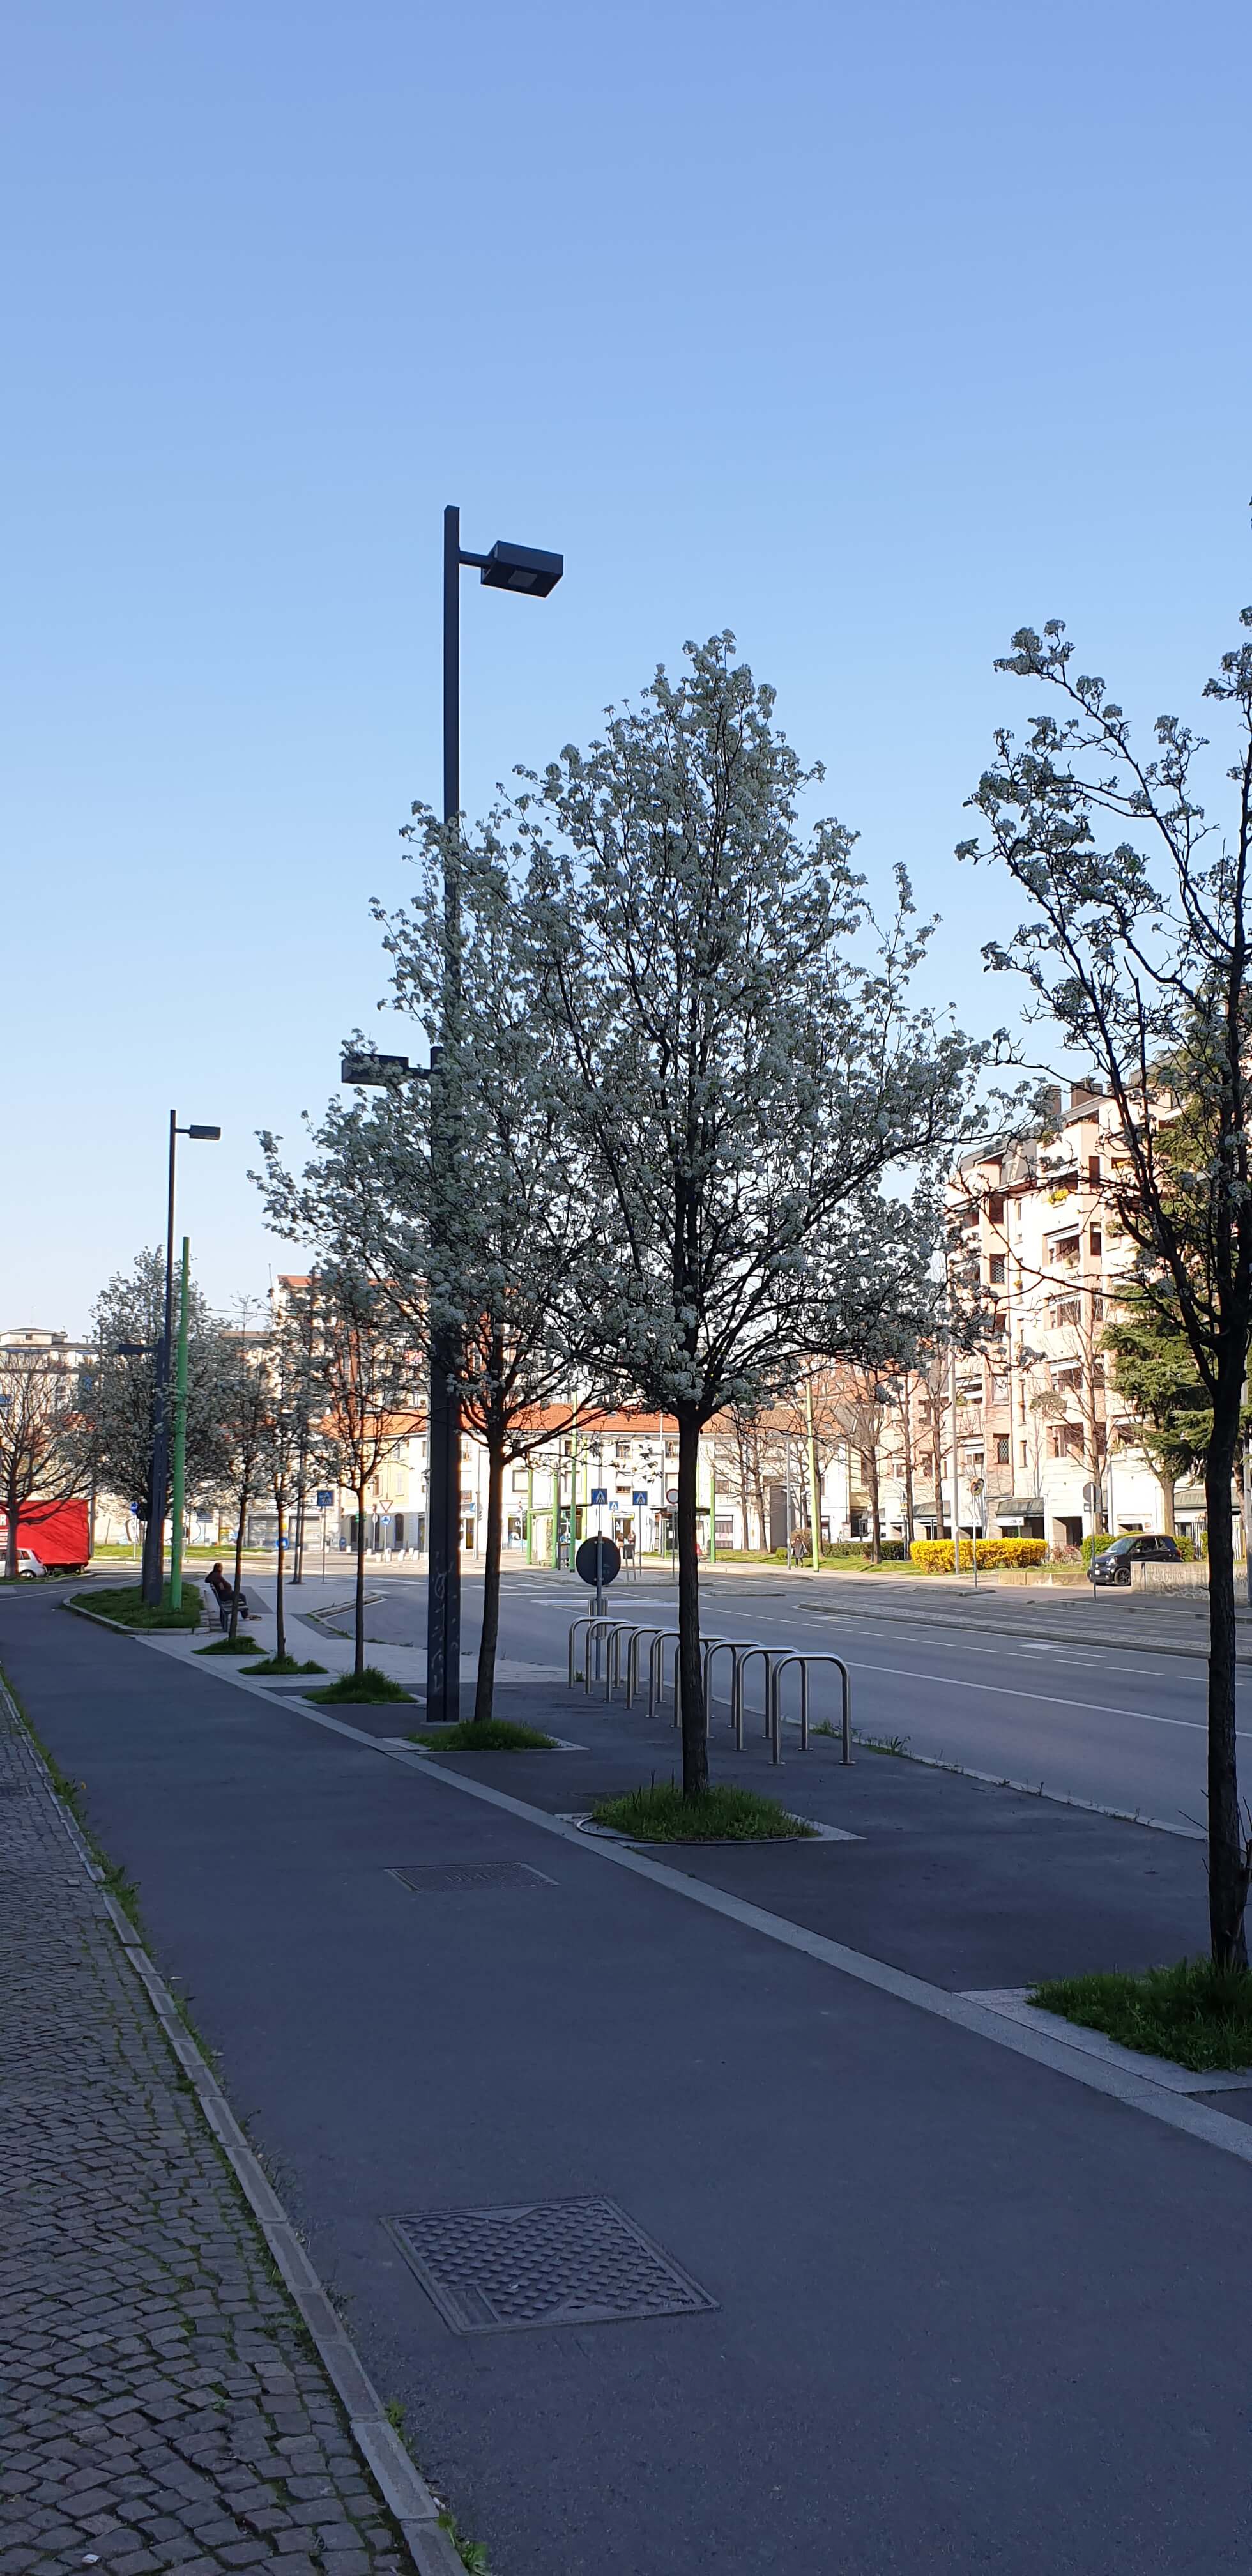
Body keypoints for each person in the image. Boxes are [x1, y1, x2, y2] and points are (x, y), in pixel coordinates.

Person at [206, 1561, 249, 1630]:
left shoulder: (215, 1574)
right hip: (225, 1596)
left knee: (241, 1596)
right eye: (221, 1567)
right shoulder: (216, 1574)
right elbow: (207, 1580)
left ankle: (245, 1614)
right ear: (219, 1568)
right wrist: (218, 1582)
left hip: (225, 1594)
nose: (222, 1569)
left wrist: (220, 1583)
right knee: (242, 1596)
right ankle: (245, 1615)